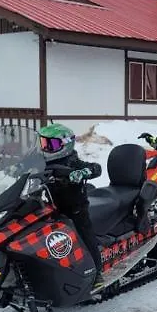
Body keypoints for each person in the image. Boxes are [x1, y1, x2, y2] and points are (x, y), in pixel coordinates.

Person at [38, 123, 105, 291]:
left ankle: (96, 272)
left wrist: (83, 172)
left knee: (84, 234)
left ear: (65, 144)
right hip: (48, 207)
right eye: (44, 143)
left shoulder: (72, 161)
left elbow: (96, 169)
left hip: (74, 208)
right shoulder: (41, 162)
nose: (46, 148)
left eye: (51, 144)